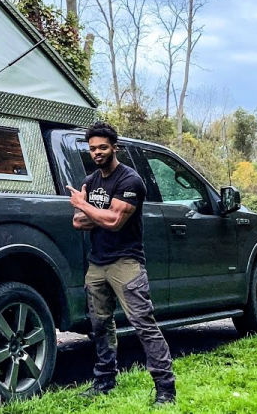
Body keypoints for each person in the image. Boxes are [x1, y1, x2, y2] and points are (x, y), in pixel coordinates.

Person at [66, 121, 176, 405]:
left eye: (102, 147)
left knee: (143, 324)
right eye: (92, 149)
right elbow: (78, 223)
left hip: (126, 263)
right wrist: (92, 212)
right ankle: (104, 380)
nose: (97, 153)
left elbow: (114, 222)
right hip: (97, 263)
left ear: (115, 147)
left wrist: (86, 206)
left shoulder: (130, 181)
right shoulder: (91, 182)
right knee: (100, 325)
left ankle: (165, 389)